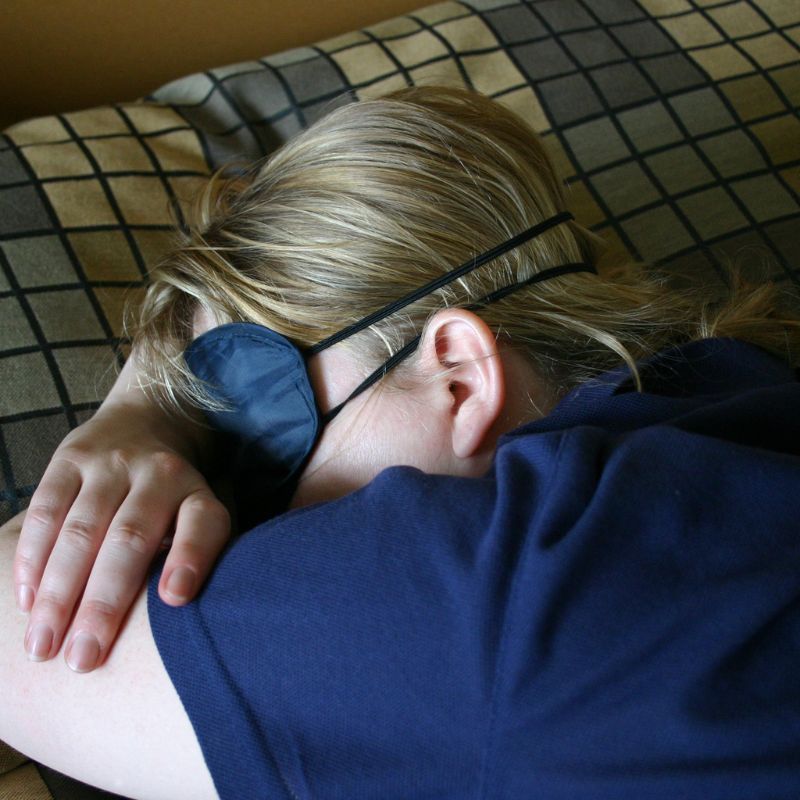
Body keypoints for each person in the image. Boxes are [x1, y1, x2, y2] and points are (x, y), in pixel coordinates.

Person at [1, 86, 799, 799]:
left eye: (268, 434)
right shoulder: (741, 383)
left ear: (457, 376)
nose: (248, 507)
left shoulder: (476, 584)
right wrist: (161, 404)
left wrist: (137, 411)